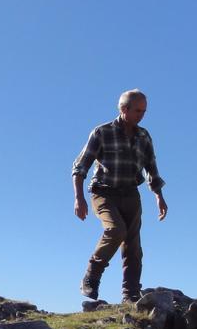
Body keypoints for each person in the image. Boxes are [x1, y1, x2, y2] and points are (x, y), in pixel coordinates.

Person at [72, 89, 168, 304]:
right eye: (137, 111)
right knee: (116, 230)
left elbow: (151, 168)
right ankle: (91, 275)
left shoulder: (144, 136)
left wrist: (159, 196)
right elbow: (79, 167)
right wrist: (79, 198)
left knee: (133, 247)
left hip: (131, 193)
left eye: (144, 111)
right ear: (124, 109)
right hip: (104, 192)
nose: (141, 115)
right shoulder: (102, 132)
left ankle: (131, 294)